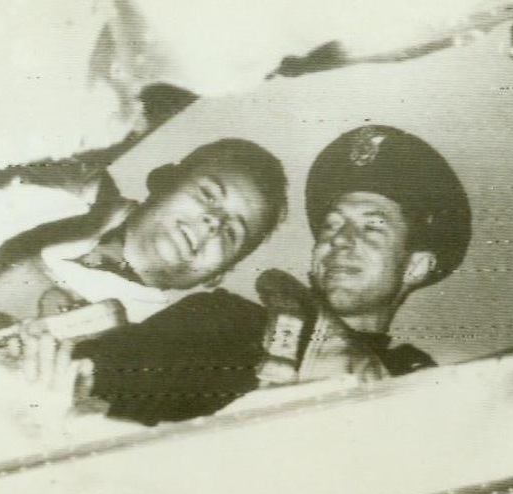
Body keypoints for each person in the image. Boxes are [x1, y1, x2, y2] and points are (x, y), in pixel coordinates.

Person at [61, 125, 471, 425]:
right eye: (332, 226)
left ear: (416, 266)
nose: (341, 240)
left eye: (372, 227)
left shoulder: (415, 384)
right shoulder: (220, 321)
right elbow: (74, 386)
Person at [0, 138, 289, 342]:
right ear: (164, 181)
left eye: (232, 233)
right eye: (208, 195)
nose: (213, 222)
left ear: (216, 276)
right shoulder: (76, 185)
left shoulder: (144, 342)